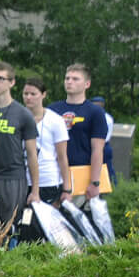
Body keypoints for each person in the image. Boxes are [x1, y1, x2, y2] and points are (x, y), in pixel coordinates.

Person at [0, 62, 38, 245]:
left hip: (12, 177)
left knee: (8, 228)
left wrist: (36, 190)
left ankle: (6, 266)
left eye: (0, 78)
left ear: (12, 82)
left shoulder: (23, 114)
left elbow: (32, 154)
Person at [51, 63, 109, 204]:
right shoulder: (52, 109)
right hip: (54, 174)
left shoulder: (95, 112)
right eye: (67, 78)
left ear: (87, 84)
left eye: (75, 79)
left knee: (75, 221)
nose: (69, 82)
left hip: (81, 173)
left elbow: (98, 150)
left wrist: (95, 182)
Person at [24, 76, 72, 208]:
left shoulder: (55, 120)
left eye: (33, 94)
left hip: (47, 180)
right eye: (26, 94)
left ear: (43, 95)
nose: (29, 97)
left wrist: (67, 188)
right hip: (23, 179)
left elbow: (62, 157)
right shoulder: (19, 117)